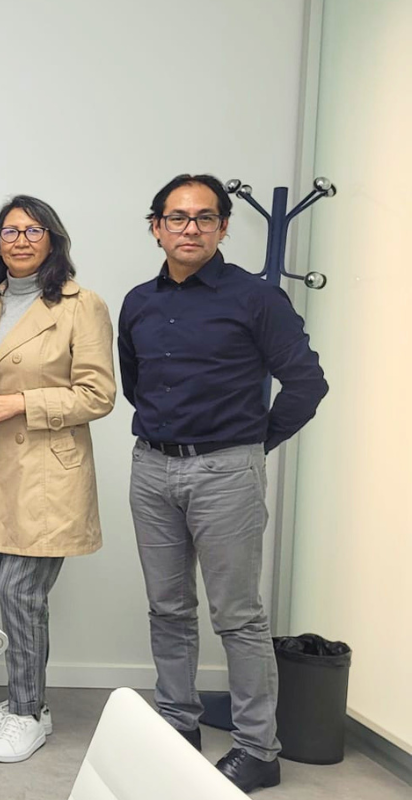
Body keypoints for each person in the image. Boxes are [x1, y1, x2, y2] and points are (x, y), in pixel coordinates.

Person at [120, 174, 327, 792]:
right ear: (156, 226)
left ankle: (258, 749)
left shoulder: (257, 298)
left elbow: (307, 384)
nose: (190, 228)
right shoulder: (138, 300)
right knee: (168, 608)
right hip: (151, 466)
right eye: (177, 218)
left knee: (238, 616)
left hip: (226, 471)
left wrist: (250, 445)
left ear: (223, 227)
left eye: (204, 218)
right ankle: (177, 726)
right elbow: (135, 382)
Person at [0, 195, 116, 763]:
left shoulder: (81, 305)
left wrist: (23, 402)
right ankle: (23, 698)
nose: (20, 239)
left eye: (33, 229)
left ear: (53, 240)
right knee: (11, 596)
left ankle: (28, 711)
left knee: (22, 595)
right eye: (10, 230)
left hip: (46, 475)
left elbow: (98, 394)